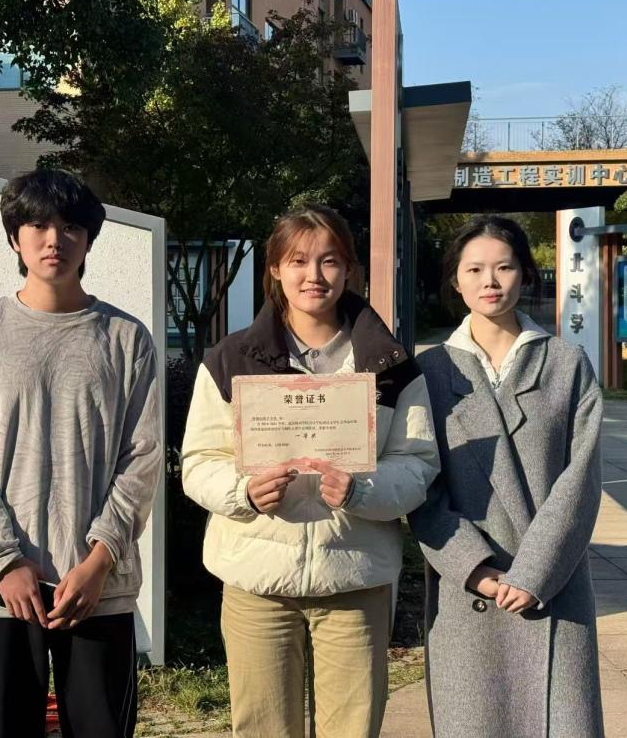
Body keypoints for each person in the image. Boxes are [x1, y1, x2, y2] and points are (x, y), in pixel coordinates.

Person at [181, 205, 440, 738]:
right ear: (275, 268)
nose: (313, 275)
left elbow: (417, 462)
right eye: (298, 260)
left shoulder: (389, 364)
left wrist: (361, 489)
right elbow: (199, 461)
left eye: (329, 260)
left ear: (349, 269)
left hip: (354, 576)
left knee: (352, 728)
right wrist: (244, 492)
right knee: (263, 728)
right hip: (257, 579)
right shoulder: (231, 358)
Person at [0, 169, 161, 738]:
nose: (53, 239)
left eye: (70, 227)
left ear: (89, 239)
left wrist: (99, 560)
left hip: (96, 587)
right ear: (14, 238)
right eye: (37, 225)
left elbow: (142, 458)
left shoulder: (125, 338)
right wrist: (4, 562)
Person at [409, 216, 604, 738]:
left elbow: (581, 479)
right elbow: (421, 486)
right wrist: (473, 568)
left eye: (504, 267)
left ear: (525, 273)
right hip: (468, 584)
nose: (489, 281)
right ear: (455, 280)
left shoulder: (566, 364)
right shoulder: (430, 371)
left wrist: (534, 573)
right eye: (474, 269)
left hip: (554, 582)